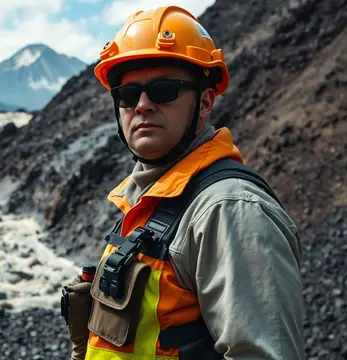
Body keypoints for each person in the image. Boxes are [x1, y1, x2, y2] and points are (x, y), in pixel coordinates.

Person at [61, 5, 304, 360]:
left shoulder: (229, 210)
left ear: (205, 102)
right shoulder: (147, 198)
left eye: (163, 91)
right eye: (127, 95)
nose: (142, 105)